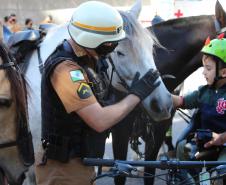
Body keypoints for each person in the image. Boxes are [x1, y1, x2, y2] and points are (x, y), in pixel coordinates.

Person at [35, 1, 160, 185]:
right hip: (64, 169)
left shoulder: (86, 59)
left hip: (79, 162)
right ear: (90, 39)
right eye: (109, 42)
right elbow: (99, 120)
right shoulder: (66, 71)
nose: (112, 46)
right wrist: (136, 94)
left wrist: (182, 101)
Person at [173, 34, 226, 161]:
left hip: (223, 146)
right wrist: (159, 93)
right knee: (182, 148)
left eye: (208, 68)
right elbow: (181, 101)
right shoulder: (203, 92)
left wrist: (222, 138)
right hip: (205, 144)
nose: (203, 72)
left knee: (220, 169)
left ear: (224, 72)